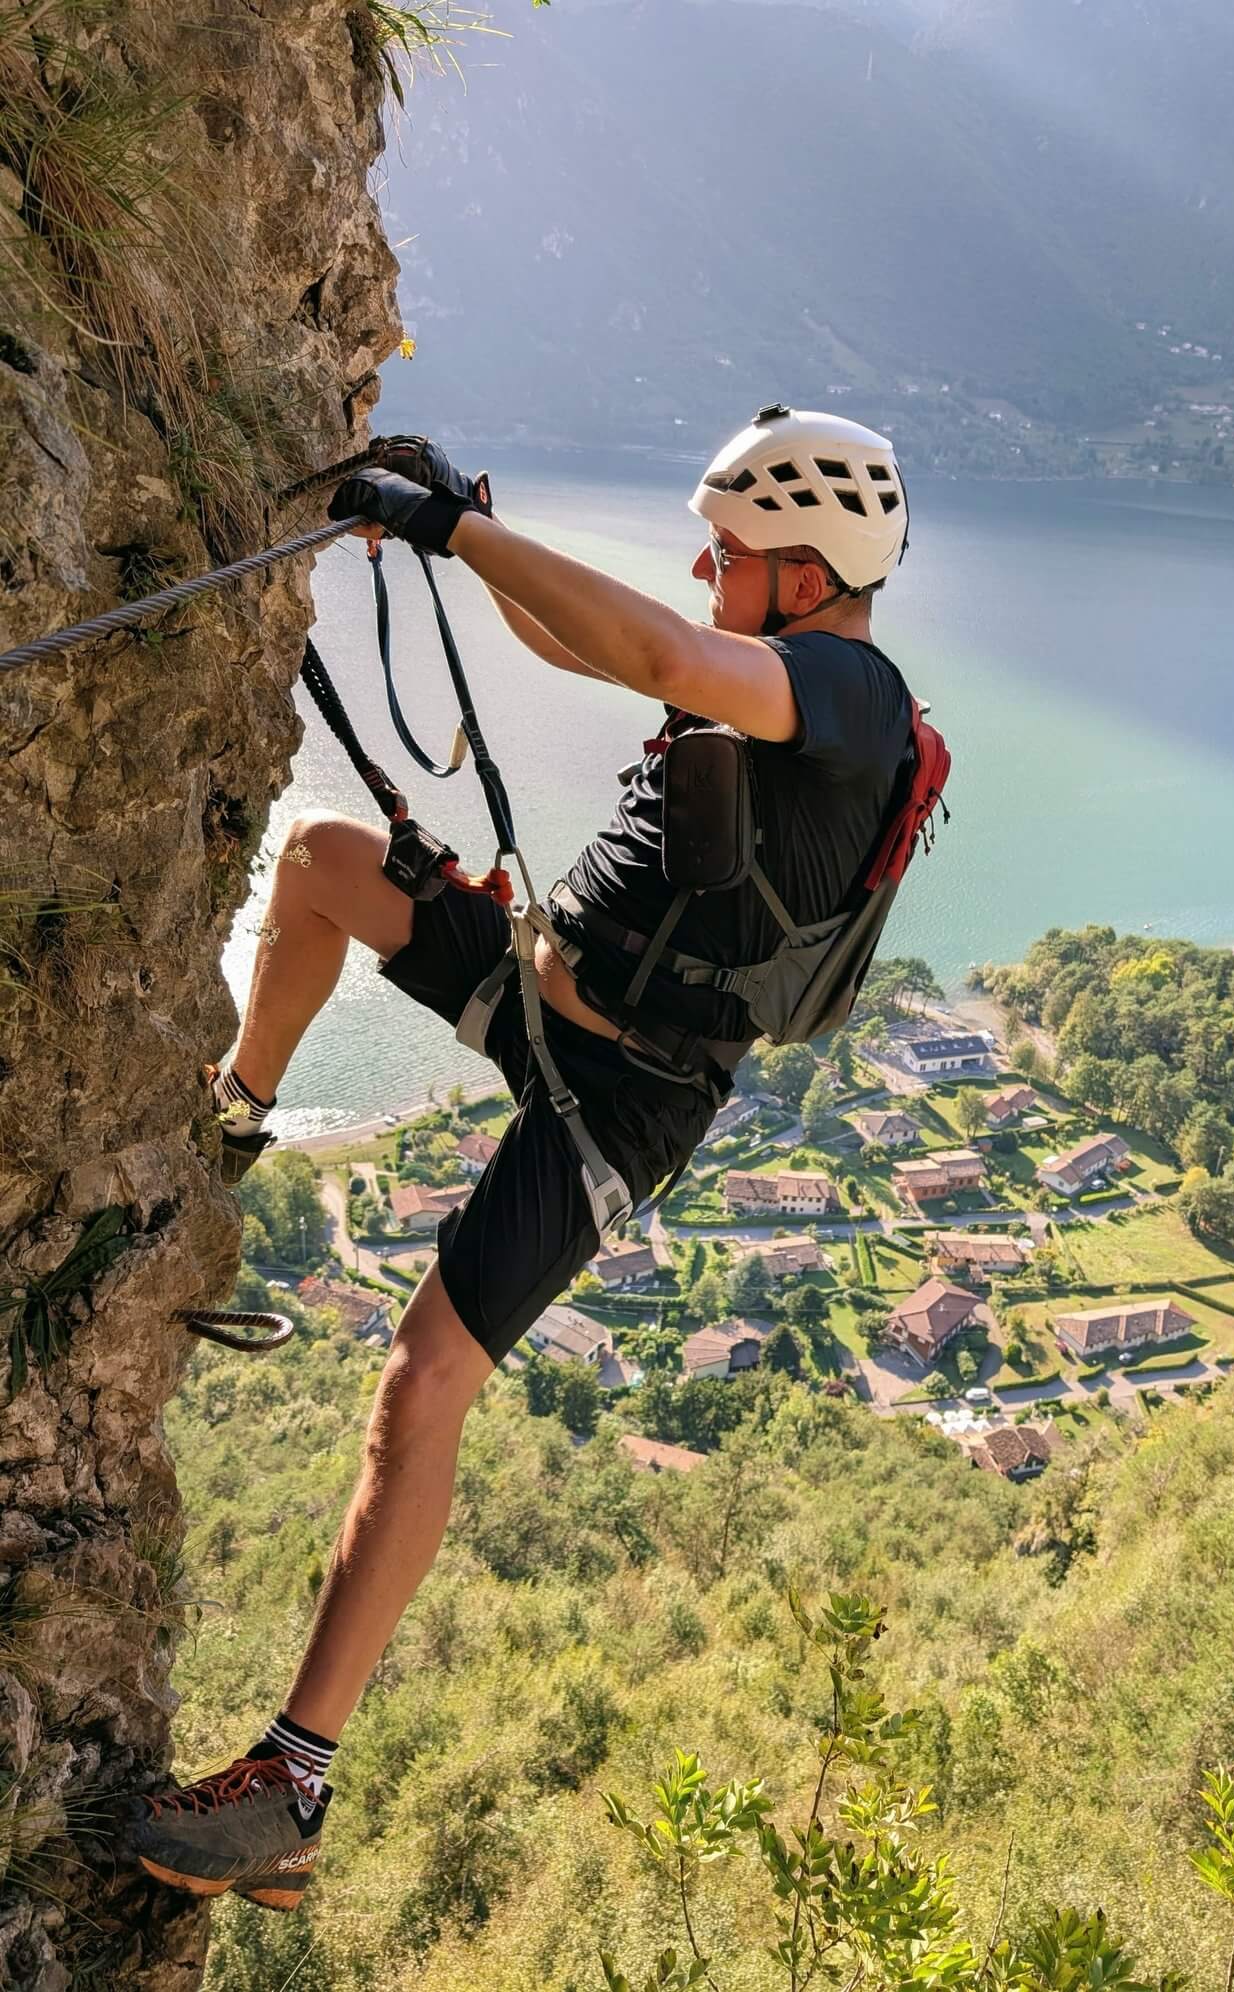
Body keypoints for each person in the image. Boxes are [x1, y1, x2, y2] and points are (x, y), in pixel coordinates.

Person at [121, 405, 914, 1910]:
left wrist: (458, 531)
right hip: (539, 990)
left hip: (620, 1099)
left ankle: (295, 1783)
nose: (703, 571)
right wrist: (469, 534)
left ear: (805, 578)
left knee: (420, 1384)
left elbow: (661, 652)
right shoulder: (775, 678)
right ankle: (238, 1112)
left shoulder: (849, 695)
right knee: (322, 861)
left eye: (728, 553)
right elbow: (594, 650)